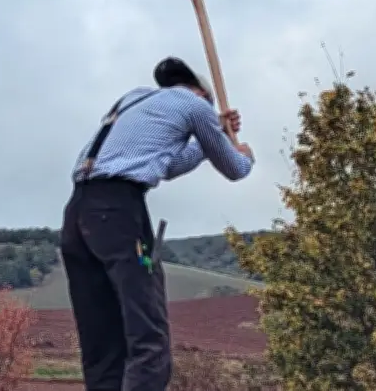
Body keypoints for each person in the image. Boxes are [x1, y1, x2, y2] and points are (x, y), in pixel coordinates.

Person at [61, 57, 255, 391]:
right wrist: (242, 152)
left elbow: (166, 164)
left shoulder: (135, 98)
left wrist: (212, 139)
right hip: (119, 212)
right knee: (148, 335)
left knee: (101, 338)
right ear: (202, 94)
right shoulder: (196, 105)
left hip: (78, 214)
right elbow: (235, 168)